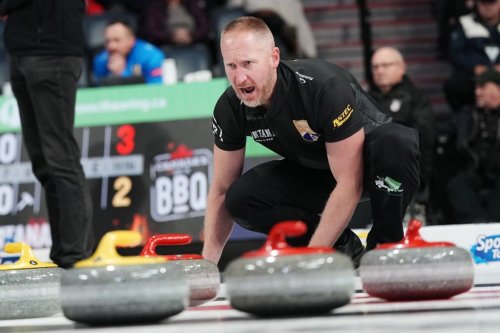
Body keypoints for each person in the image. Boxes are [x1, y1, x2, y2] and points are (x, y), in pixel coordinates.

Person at [201, 17, 420, 266]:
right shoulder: (229, 107)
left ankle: (385, 249)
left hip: (374, 170)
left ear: (274, 58)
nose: (240, 78)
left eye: (248, 63)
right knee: (240, 198)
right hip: (317, 170)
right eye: (231, 66)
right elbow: (220, 189)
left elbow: (350, 182)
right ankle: (343, 250)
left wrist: (311, 258)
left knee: (395, 141)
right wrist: (206, 266)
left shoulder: (323, 88)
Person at [0, 0, 94, 268]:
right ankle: (65, 253)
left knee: (60, 158)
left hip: (51, 52)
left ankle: (75, 257)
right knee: (44, 161)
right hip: (25, 50)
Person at [369, 47, 435, 196]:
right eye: (375, 67)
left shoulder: (416, 98)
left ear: (401, 67)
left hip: (407, 166)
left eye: (385, 65)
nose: (379, 71)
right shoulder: (365, 99)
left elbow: (424, 135)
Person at [446, 69, 500, 223]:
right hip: (473, 170)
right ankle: (476, 228)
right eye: (476, 88)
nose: (477, 92)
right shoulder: (467, 114)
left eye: (482, 87)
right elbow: (443, 129)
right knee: (457, 184)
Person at [444, 0, 500, 111]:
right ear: (476, 3)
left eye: (492, 3)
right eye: (484, 3)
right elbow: (456, 53)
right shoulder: (465, 22)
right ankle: (465, 122)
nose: (488, 7)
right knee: (454, 86)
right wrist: (474, 67)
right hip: (474, 75)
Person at [226, 0, 318, 58]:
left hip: (283, 27)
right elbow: (233, 6)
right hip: (254, 19)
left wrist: (310, 52)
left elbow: (299, 22)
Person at [93, 18, 165, 85]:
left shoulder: (151, 56)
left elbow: (156, 88)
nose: (111, 46)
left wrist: (123, 73)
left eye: (117, 40)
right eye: (107, 41)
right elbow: (98, 91)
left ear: (132, 40)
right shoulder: (101, 60)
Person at [139, 0, 210, 47]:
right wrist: (172, 37)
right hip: (166, 43)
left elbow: (204, 25)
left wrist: (192, 36)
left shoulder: (192, 4)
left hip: (193, 41)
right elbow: (151, 29)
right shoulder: (155, 7)